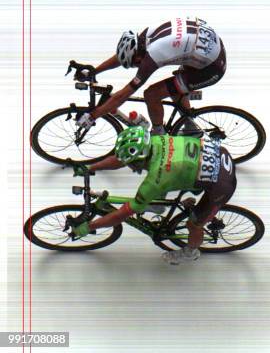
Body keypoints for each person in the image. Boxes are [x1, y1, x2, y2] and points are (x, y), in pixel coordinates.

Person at [68, 126, 236, 265]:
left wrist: (88, 227)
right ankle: (162, 203)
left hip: (221, 185)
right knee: (173, 175)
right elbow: (122, 159)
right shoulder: (155, 140)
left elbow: (120, 215)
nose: (130, 167)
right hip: (218, 155)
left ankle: (190, 252)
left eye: (132, 164)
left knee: (193, 225)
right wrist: (91, 167)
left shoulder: (155, 179)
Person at [75, 16, 226, 135]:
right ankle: (190, 126)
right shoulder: (145, 36)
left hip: (211, 68)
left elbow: (123, 95)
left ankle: (158, 134)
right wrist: (95, 71)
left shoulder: (152, 56)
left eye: (134, 64)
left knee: (152, 94)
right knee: (175, 86)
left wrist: (93, 115)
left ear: (138, 58)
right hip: (209, 49)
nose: (137, 67)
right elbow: (122, 57)